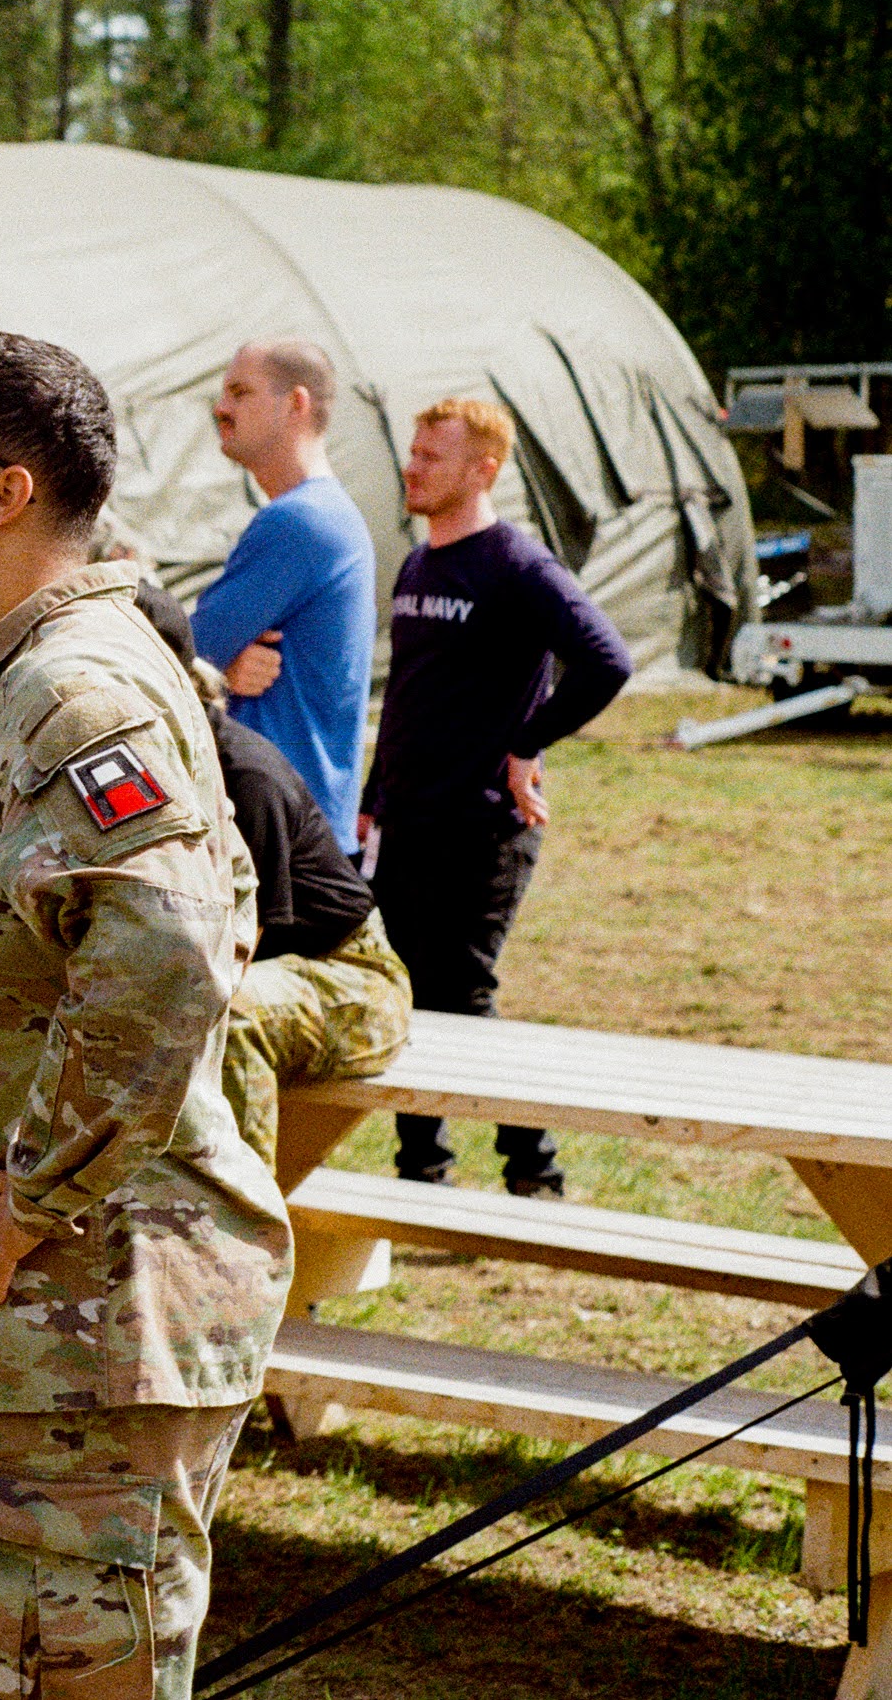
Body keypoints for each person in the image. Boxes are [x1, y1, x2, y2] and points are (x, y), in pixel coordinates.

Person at [0, 330, 286, 1700]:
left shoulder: (69, 687)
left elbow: (168, 948)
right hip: (43, 1329)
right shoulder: (26, 676)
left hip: (87, 1311)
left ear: (0, 492)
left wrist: (43, 1185)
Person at [366, 396, 633, 1197]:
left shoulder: (515, 564)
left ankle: (534, 1169)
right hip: (407, 821)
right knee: (407, 992)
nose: (412, 467)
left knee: (464, 992)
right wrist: (374, 796)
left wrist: (527, 741)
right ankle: (421, 1169)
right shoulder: (418, 565)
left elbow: (605, 661)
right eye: (412, 453)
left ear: (483, 468)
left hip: (484, 825)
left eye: (431, 456)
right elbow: (411, 695)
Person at [136, 581, 413, 1171]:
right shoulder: (140, 767)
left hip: (352, 978)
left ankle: (238, 1225)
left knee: (225, 1012)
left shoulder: (242, 773)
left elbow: (241, 950)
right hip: (256, 972)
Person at [191, 339, 377, 850]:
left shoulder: (300, 521)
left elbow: (177, 653)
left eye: (240, 392)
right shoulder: (324, 514)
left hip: (281, 831)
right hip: (303, 821)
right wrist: (223, 674)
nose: (220, 408)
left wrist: (211, 670)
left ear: (295, 403)